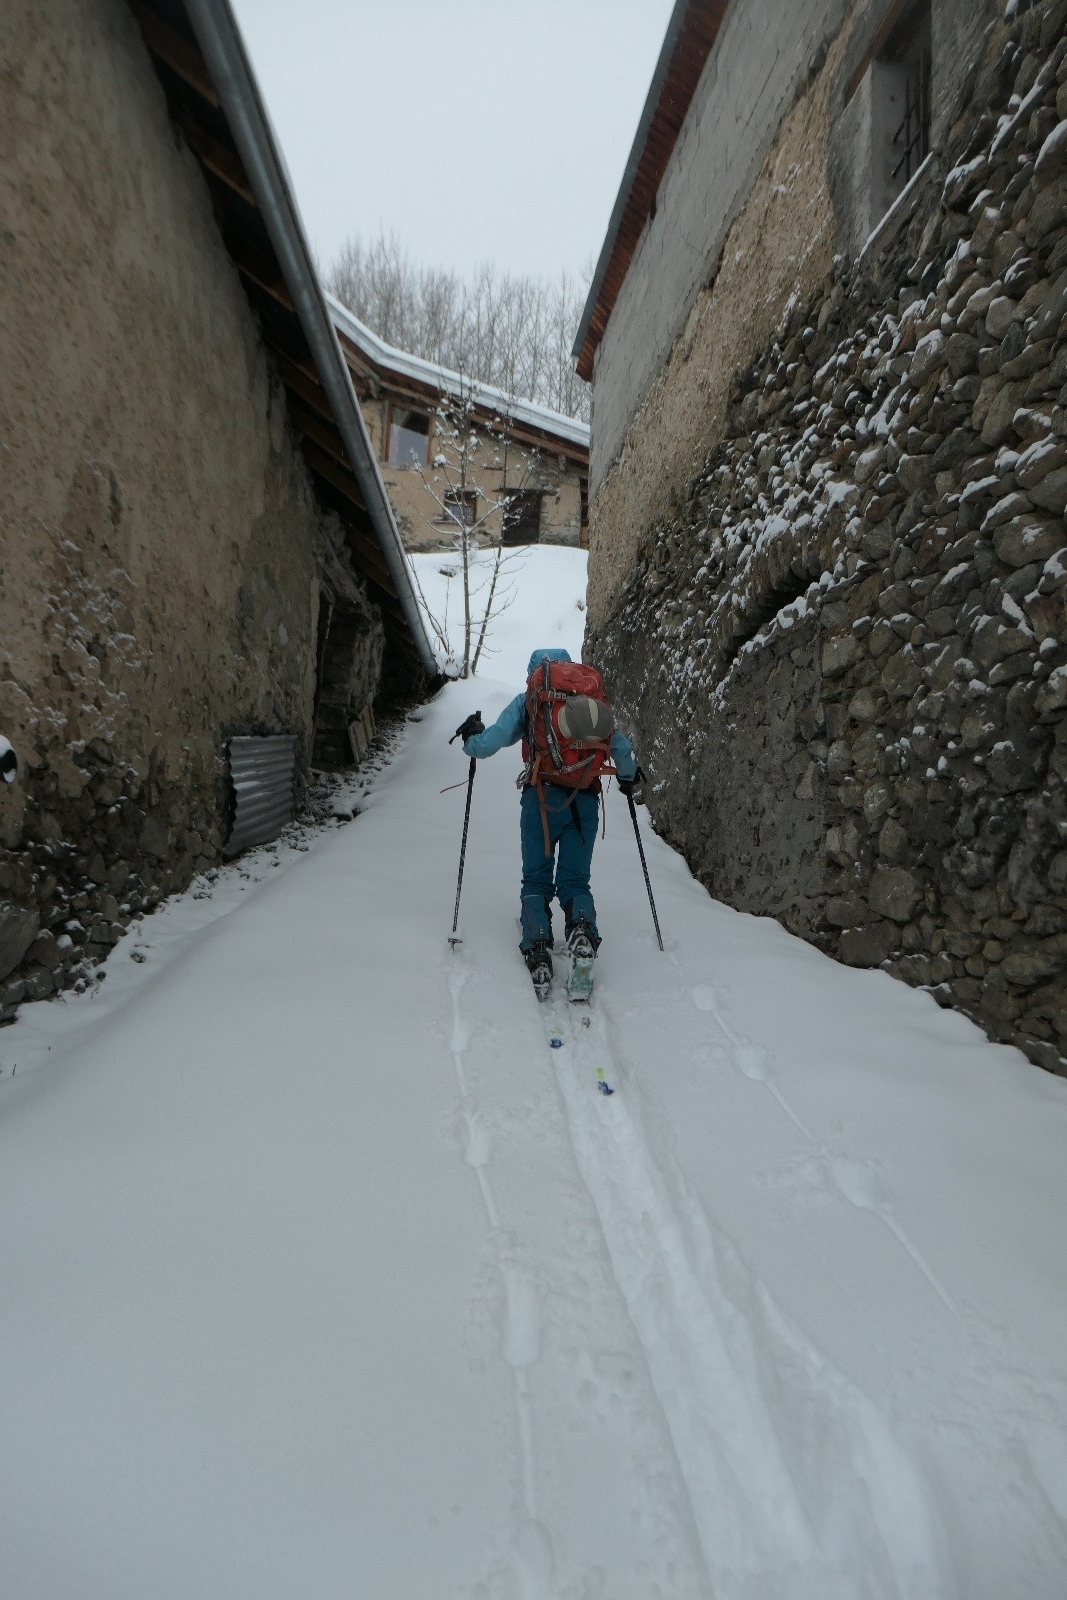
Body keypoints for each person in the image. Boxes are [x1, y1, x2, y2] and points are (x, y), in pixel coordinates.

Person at [453, 648, 643, 997]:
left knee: (537, 879)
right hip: (585, 799)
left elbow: (488, 744)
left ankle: (538, 950)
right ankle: (583, 934)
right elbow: (620, 746)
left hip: (540, 800)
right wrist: (629, 776)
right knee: (575, 881)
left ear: (535, 672)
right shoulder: (589, 701)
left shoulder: (531, 700)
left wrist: (471, 738)